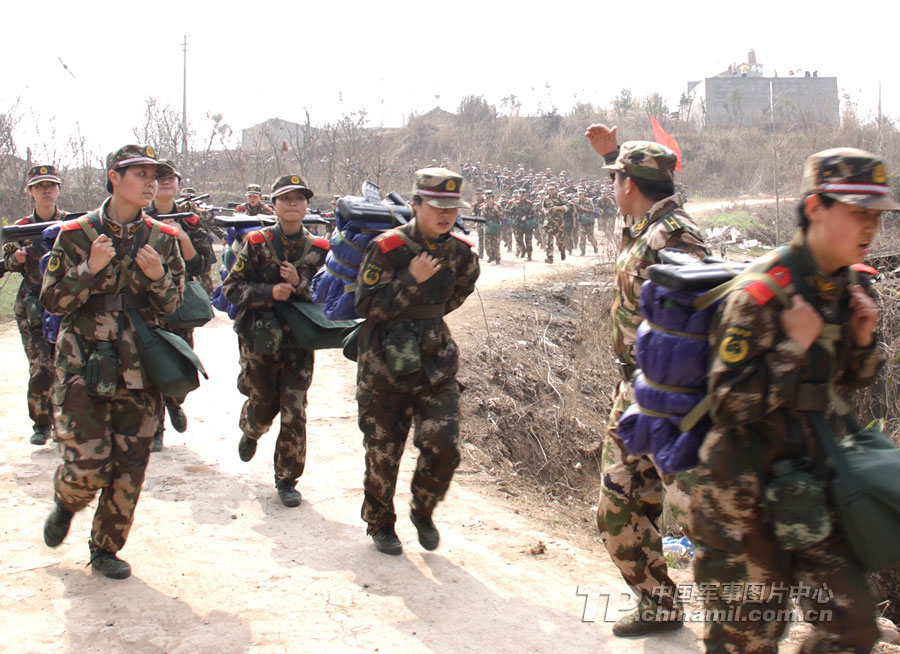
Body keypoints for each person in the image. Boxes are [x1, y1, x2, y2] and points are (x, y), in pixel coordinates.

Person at [691, 148, 892, 653]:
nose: (870, 227)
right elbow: (729, 402)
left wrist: (864, 338)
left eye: (875, 215)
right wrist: (791, 346)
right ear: (814, 208)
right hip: (742, 495)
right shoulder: (761, 294)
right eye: (857, 213)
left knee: (854, 624)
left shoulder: (842, 287)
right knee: (747, 639)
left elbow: (846, 381)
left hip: (810, 485)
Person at [585, 124, 709, 636]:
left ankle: (742, 622)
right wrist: (614, 155)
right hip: (631, 392)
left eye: (616, 179)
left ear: (630, 187)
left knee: (700, 514)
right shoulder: (642, 224)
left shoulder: (676, 235)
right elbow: (636, 187)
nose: (613, 187)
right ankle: (659, 604)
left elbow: (698, 316)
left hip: (672, 400)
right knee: (617, 504)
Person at [39, 144, 185, 579]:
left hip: (139, 364)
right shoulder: (76, 233)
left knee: (130, 466)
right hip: (83, 360)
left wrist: (159, 277)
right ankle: (68, 500)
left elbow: (173, 305)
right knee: (88, 465)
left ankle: (105, 548)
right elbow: (53, 300)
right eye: (139, 174)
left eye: (154, 175)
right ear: (114, 178)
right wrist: (89, 268)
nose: (150, 182)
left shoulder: (163, 238)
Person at [355, 167, 479, 555]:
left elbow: (455, 295)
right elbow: (366, 304)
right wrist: (410, 280)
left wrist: (423, 315)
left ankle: (423, 508)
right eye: (437, 205)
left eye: (452, 207)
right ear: (416, 204)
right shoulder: (387, 248)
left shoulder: (460, 253)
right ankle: (380, 524)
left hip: (435, 364)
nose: (446, 214)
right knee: (383, 450)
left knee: (445, 445)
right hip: (384, 367)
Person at [222, 174, 329, 508]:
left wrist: (300, 285)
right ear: (275, 205)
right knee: (263, 403)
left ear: (307, 205)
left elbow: (330, 299)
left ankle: (287, 479)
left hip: (299, 343)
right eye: (286, 198)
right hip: (259, 341)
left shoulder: (320, 249)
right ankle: (252, 429)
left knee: (294, 409)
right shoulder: (256, 243)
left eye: (299, 198)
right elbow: (231, 289)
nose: (293, 203)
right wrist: (270, 292)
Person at [145, 160, 214, 452]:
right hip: (147, 301)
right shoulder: (139, 215)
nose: (165, 182)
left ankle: (174, 401)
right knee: (150, 362)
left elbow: (202, 262)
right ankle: (155, 428)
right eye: (158, 177)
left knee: (181, 358)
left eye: (170, 177)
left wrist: (182, 236)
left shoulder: (190, 218)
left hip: (179, 300)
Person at [3, 165, 69, 445]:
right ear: (30, 191)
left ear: (58, 190)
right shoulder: (19, 229)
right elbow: (4, 264)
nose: (46, 191)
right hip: (33, 305)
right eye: (40, 186)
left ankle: (65, 423)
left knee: (68, 367)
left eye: (51, 185)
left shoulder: (72, 224)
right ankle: (42, 423)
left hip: (66, 302)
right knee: (41, 368)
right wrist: (13, 260)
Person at [541, 182, 568, 263]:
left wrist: (558, 207)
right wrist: (545, 211)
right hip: (549, 222)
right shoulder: (546, 198)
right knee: (549, 240)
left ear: (556, 189)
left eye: (553, 189)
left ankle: (562, 251)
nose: (551, 191)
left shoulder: (561, 198)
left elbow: (568, 207)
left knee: (560, 241)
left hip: (558, 222)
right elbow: (544, 207)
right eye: (550, 189)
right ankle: (550, 257)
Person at [482, 190, 503, 264]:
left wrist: (497, 211)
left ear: (492, 198)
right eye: (486, 198)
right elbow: (483, 216)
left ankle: (497, 259)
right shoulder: (484, 207)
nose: (487, 199)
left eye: (489, 198)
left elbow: (503, 216)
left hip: (496, 226)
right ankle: (491, 256)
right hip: (488, 226)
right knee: (487, 244)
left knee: (496, 244)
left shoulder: (497, 206)